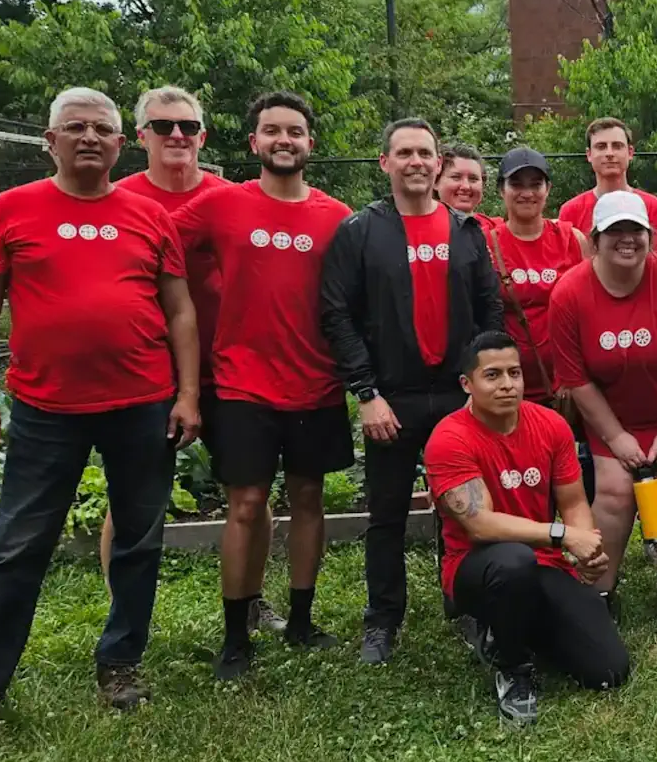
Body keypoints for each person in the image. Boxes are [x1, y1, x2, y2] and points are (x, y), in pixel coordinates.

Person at [0, 88, 199, 746]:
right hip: (45, 411)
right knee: (12, 549)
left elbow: (180, 309)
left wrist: (187, 394)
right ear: (50, 140)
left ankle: (120, 665)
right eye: (75, 128)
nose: (89, 137)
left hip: (143, 405)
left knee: (138, 543)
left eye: (102, 129)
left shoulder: (149, 216)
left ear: (122, 145)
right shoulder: (13, 209)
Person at [173, 91, 355, 678]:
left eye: (295, 132)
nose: (284, 140)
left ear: (310, 144)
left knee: (307, 499)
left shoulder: (337, 216)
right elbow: (152, 246)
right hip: (241, 384)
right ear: (253, 142)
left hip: (317, 384)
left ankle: (302, 621)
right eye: (272, 130)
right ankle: (236, 637)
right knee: (246, 504)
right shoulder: (221, 206)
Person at [319, 118, 504, 664]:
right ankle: (382, 620)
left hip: (457, 397)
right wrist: (365, 391)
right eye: (405, 153)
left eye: (426, 153)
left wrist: (480, 384)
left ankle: (467, 606)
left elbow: (490, 312)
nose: (417, 162)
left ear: (438, 165)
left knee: (467, 510)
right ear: (386, 163)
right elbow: (337, 314)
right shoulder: (361, 232)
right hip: (390, 400)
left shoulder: (466, 232)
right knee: (387, 515)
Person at [109, 87, 287, 633]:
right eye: (162, 127)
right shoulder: (117, 201)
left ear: (203, 136)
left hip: (227, 371)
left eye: (188, 126)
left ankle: (252, 601)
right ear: (140, 138)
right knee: (132, 498)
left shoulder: (230, 199)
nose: (177, 136)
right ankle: (125, 617)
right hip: (146, 373)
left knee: (251, 493)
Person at [424, 331, 630, 727]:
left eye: (514, 373)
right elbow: (479, 524)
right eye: (493, 375)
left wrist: (583, 550)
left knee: (608, 671)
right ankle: (513, 667)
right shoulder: (449, 439)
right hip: (477, 567)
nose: (507, 385)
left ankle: (514, 627)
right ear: (467, 384)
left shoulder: (551, 425)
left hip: (545, 564)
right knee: (512, 560)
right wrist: (561, 535)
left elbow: (572, 503)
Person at [549, 191, 657, 624]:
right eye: (614, 231)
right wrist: (617, 437)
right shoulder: (568, 293)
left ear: (650, 236)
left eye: (635, 231)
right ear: (595, 238)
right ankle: (600, 591)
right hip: (611, 410)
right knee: (615, 491)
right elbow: (575, 378)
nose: (627, 240)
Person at [481, 148, 590, 405]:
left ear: (548, 188)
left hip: (567, 386)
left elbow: (591, 310)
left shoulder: (572, 239)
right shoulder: (487, 244)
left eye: (536, 184)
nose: (527, 193)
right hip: (506, 387)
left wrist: (576, 374)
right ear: (501, 190)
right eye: (516, 184)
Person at [557, 117, 657, 246]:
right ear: (589, 154)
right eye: (601, 147)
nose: (609, 153)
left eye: (617, 146)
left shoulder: (654, 208)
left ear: (630, 152)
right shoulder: (571, 211)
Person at [435, 142, 488, 216]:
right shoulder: (420, 225)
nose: (466, 186)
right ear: (435, 182)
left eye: (473, 179)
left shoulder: (494, 226)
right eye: (456, 177)